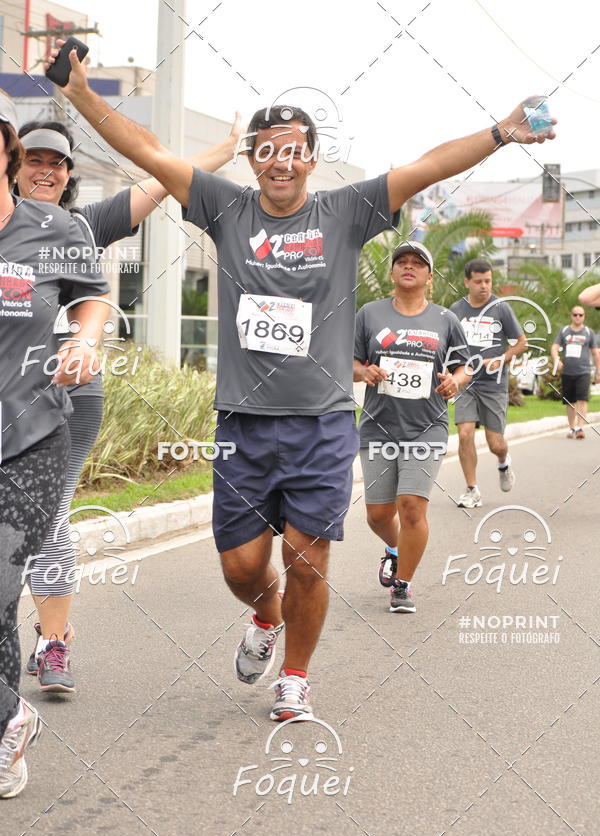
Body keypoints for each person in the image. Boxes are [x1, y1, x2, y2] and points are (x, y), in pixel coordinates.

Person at [53, 41, 556, 720]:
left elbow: (427, 166)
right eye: (267, 148)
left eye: (294, 149)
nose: (281, 160)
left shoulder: (343, 212)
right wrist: (81, 93)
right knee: (239, 568)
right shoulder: (226, 207)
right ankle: (265, 615)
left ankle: (295, 673)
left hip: (320, 423)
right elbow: (149, 151)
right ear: (253, 158)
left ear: (311, 160)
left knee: (308, 559)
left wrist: (503, 131)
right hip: (242, 422)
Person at [14, 116, 242, 693]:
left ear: (68, 176)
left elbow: (164, 181)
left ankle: (53, 643)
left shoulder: (85, 225)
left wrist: (219, 152)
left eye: (57, 163)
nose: (46, 170)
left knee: (50, 512)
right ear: (13, 163)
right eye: (35, 159)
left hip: (64, 394)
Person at [0, 92, 110, 797]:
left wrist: (89, 338)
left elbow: (94, 295)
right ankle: (14, 712)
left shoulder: (58, 228)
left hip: (29, 436)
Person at [353, 242, 470, 612]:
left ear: (429, 276)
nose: (409, 267)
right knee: (378, 514)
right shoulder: (369, 314)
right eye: (401, 262)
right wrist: (364, 370)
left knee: (412, 508)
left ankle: (402, 584)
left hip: (427, 426)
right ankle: (393, 548)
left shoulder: (445, 320)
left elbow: (465, 366)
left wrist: (456, 381)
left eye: (417, 264)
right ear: (392, 272)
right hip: (377, 426)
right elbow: (350, 362)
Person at [450, 260, 528, 508]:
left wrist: (502, 358)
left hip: (493, 385)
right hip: (466, 383)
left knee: (496, 444)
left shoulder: (500, 308)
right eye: (478, 281)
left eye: (488, 281)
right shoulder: (456, 310)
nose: (484, 286)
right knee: (464, 434)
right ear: (467, 282)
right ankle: (471, 489)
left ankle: (504, 463)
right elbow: (447, 344)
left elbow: (521, 343)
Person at [550, 305, 600, 438]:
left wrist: (598, 372)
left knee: (582, 400)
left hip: (583, 371)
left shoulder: (588, 332)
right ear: (571, 316)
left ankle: (580, 428)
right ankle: (572, 428)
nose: (578, 317)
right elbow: (555, 347)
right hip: (567, 372)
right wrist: (556, 359)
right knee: (570, 402)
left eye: (581, 315)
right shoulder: (564, 331)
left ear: (584, 317)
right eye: (575, 314)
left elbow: (595, 353)